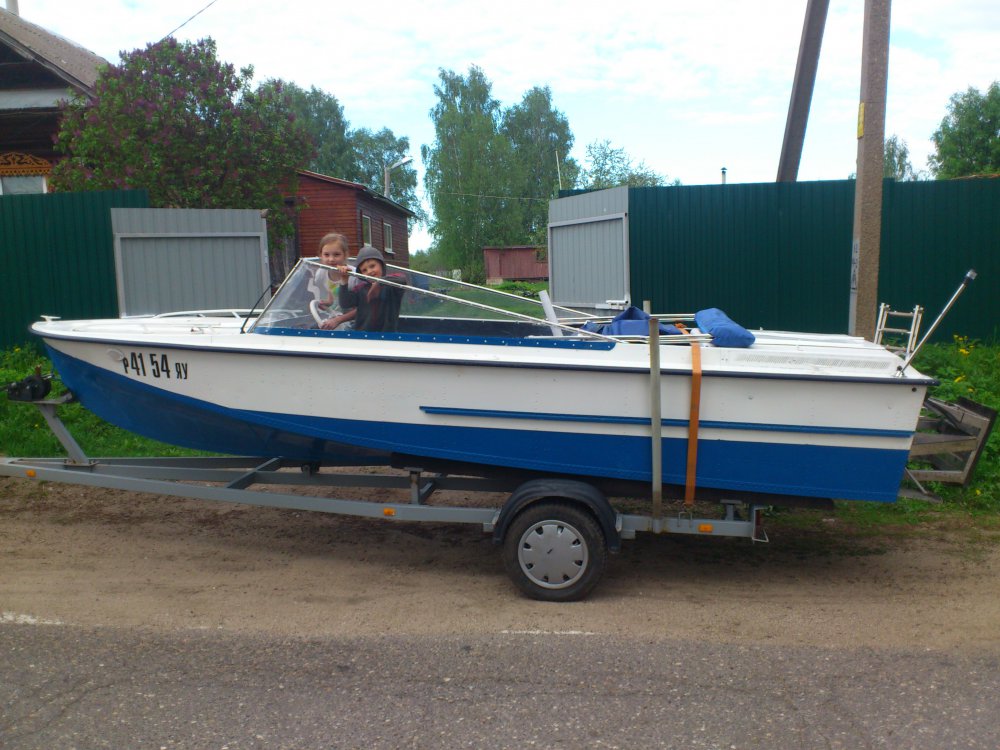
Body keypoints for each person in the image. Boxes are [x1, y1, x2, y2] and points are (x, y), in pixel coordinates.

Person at [336, 246, 407, 332]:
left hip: (387, 335)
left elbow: (402, 279)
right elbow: (345, 303)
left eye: (372, 266)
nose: (369, 271)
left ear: (381, 265)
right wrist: (344, 280)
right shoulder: (360, 288)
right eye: (364, 270)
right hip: (363, 335)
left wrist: (379, 283)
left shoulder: (391, 286)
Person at [314, 233, 356, 331]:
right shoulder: (321, 273)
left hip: (354, 322)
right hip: (334, 318)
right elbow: (331, 290)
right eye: (326, 255)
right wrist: (329, 302)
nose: (331, 259)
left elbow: (363, 308)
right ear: (321, 255)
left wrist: (338, 320)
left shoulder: (354, 275)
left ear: (345, 255)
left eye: (336, 254)